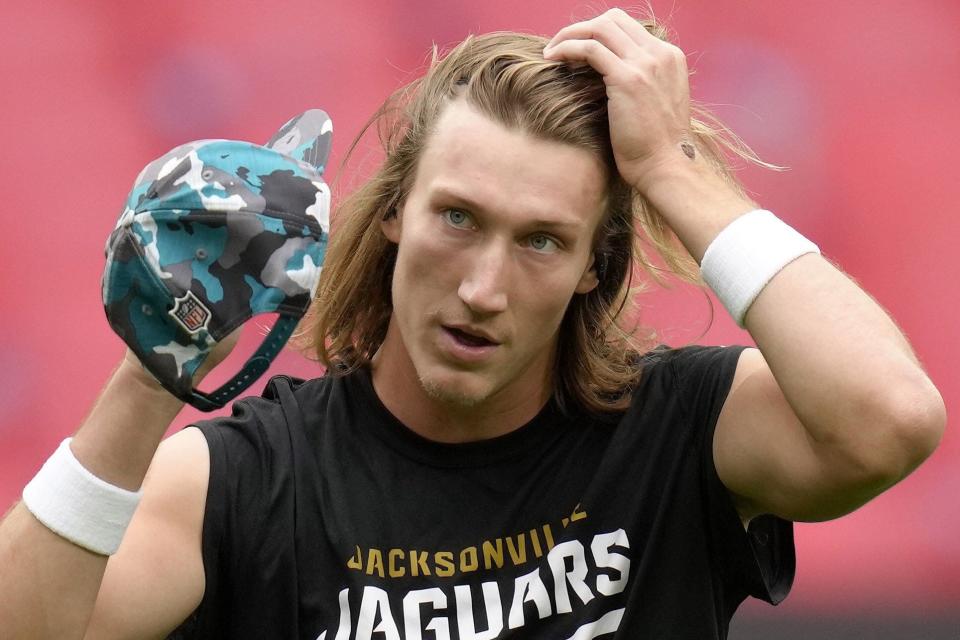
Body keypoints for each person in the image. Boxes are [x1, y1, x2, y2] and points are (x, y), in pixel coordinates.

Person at [0, 8, 946, 639]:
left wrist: (672, 169)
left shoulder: (674, 433)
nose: (484, 287)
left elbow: (889, 419)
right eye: (458, 218)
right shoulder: (246, 480)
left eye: (541, 240)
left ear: (592, 268)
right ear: (393, 215)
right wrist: (151, 375)